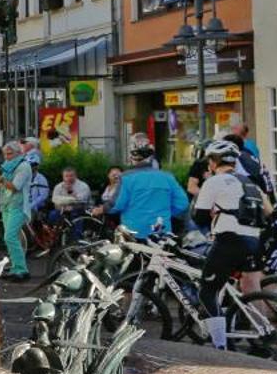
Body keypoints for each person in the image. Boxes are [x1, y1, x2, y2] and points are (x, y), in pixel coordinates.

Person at [194, 141, 268, 348]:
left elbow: (199, 216)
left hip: (229, 239)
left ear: (212, 162)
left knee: (207, 291)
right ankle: (262, 332)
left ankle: (221, 346)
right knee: (248, 288)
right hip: (253, 240)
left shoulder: (215, 181)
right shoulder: (249, 181)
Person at [110, 147, 188, 237]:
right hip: (161, 230)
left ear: (133, 160)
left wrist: (102, 209)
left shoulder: (127, 178)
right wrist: (166, 212)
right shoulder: (168, 177)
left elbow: (117, 205)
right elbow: (182, 203)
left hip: (133, 231)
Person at [0, 139, 33, 283]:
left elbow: (15, 186)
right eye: (5, 154)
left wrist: (0, 180)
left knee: (9, 237)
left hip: (18, 206)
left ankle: (21, 270)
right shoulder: (7, 166)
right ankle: (16, 268)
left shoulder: (24, 166)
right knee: (13, 238)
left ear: (19, 153)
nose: (7, 156)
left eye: (10, 153)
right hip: (6, 205)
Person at [52, 165, 93, 239]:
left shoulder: (83, 186)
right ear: (63, 177)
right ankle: (57, 238)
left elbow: (81, 203)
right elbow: (55, 203)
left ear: (76, 176)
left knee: (75, 214)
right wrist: (65, 207)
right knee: (53, 214)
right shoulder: (58, 187)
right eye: (66, 176)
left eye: (71, 176)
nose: (69, 178)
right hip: (63, 210)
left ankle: (76, 240)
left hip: (82, 210)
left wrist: (69, 192)